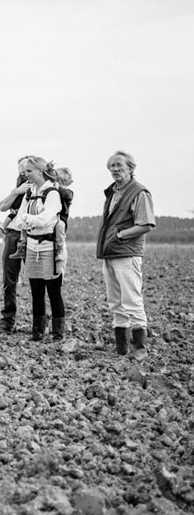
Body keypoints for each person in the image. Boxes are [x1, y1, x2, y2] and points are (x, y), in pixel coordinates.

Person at [97, 151, 155, 360]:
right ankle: (121, 346)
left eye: (119, 165)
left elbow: (146, 224)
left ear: (131, 168)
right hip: (111, 253)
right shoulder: (113, 192)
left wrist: (120, 235)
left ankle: (139, 349)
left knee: (132, 299)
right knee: (115, 301)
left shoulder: (139, 192)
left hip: (127, 253)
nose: (115, 169)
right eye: (111, 165)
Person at [9, 156, 65, 341]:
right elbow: (19, 221)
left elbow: (45, 219)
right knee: (36, 290)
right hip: (32, 246)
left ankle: (58, 334)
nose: (26, 175)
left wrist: (28, 219)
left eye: (29, 172)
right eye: (24, 172)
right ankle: (38, 332)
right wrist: (29, 220)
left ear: (40, 171)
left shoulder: (52, 193)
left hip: (50, 248)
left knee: (53, 290)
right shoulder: (30, 193)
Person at [10, 166, 74, 276]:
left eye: (63, 181)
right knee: (25, 226)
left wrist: (58, 187)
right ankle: (22, 244)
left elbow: (64, 196)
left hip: (61, 217)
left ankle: (59, 250)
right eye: (57, 180)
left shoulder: (66, 192)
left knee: (60, 228)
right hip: (49, 217)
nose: (59, 183)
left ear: (69, 182)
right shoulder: (42, 192)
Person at [0, 159, 31, 334]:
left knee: (38, 280)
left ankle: (41, 321)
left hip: (32, 234)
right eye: (20, 168)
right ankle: (8, 320)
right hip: (12, 234)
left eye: (26, 168)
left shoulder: (41, 186)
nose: (22, 171)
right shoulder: (18, 187)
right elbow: (3, 206)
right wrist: (15, 191)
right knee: (9, 280)